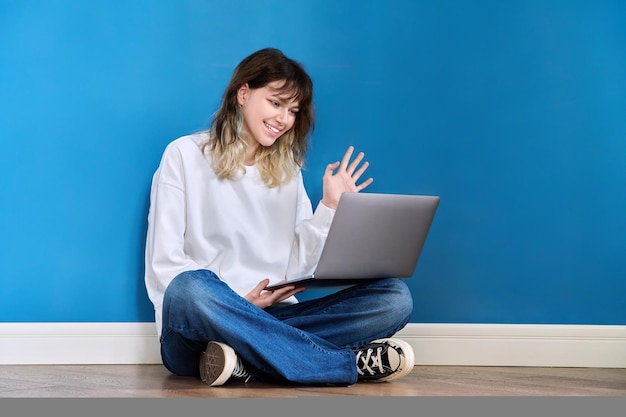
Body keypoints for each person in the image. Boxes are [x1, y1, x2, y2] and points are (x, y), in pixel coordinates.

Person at [144, 47, 415, 387]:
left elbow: (299, 269)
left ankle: (244, 361)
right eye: (276, 103)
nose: (284, 119)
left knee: (394, 298)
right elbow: (165, 266)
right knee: (189, 287)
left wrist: (330, 206)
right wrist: (238, 306)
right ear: (243, 93)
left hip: (274, 316)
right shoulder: (183, 155)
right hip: (199, 326)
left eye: (293, 110)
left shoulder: (287, 173)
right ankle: (344, 365)